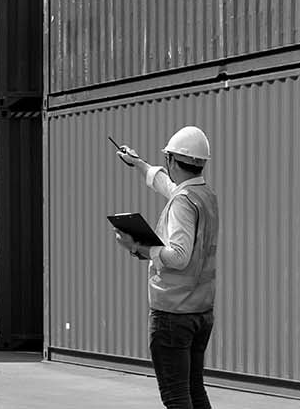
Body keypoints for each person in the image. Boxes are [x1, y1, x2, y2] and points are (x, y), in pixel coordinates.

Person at [113, 126, 220, 409]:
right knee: (194, 391)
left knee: (176, 397)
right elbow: (171, 188)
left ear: (173, 160)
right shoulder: (203, 194)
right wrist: (139, 164)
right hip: (200, 312)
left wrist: (138, 247)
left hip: (174, 314)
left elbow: (179, 256)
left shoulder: (184, 203)